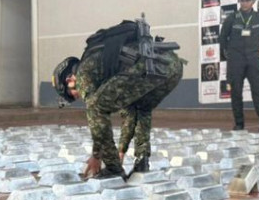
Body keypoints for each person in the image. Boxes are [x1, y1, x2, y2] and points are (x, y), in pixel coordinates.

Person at [52, 17, 183, 179]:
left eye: (72, 94)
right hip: (171, 65)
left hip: (148, 65)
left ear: (69, 80)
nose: (78, 95)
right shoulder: (98, 63)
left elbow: (96, 115)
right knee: (139, 108)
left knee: (95, 107)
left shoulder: (83, 73)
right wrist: (121, 150)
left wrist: (97, 155)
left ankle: (113, 169)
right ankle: (142, 161)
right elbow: (128, 114)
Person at [219, 0, 259, 132]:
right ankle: (239, 123)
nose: (245, 2)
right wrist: (230, 53)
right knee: (236, 92)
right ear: (239, 1)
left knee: (258, 91)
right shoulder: (232, 18)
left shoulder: (258, 17)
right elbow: (223, 37)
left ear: (253, 1)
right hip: (236, 60)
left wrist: (253, 50)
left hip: (253, 59)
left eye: (247, 0)